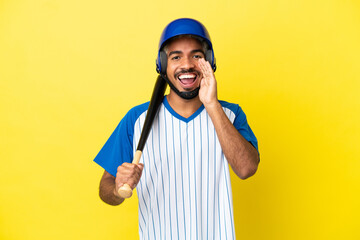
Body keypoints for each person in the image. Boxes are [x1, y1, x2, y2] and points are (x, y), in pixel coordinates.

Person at [94, 18, 260, 240]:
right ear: (163, 64)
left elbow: (247, 169)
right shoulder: (137, 118)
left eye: (197, 56)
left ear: (209, 62)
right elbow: (105, 189)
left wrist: (212, 104)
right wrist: (117, 188)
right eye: (176, 57)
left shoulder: (230, 114)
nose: (187, 64)